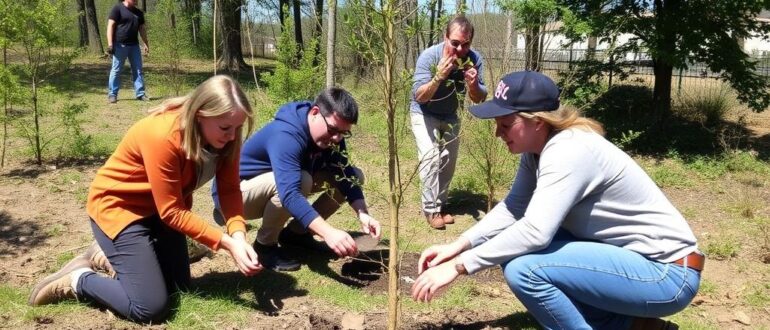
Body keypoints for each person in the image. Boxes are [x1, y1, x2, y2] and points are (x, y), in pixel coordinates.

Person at [410, 71, 703, 329]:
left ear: (537, 121)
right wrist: (457, 245)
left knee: (525, 270)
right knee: (511, 250)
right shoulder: (536, 151)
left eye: (506, 123)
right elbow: (513, 209)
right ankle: (631, 326)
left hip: (666, 274)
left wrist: (459, 266)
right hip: (638, 263)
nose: (498, 132)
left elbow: (536, 231)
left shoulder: (568, 150)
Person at [28, 75, 262, 323]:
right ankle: (79, 279)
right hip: (120, 211)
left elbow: (229, 190)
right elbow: (172, 210)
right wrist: (225, 243)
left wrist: (238, 235)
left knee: (179, 286)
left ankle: (106, 258)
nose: (233, 136)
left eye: (238, 128)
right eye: (226, 128)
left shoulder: (227, 139)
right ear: (200, 114)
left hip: (159, 215)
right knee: (150, 308)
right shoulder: (163, 134)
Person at [212, 87, 381, 272]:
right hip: (234, 197)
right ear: (315, 112)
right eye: (333, 130)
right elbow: (290, 194)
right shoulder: (286, 135)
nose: (337, 138)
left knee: (355, 176)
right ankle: (264, 246)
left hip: (277, 185)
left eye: (343, 133)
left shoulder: (331, 133)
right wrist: (328, 233)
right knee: (301, 180)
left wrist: (362, 212)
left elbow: (345, 173)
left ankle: (296, 234)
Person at [411, 15, 487, 230]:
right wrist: (438, 77)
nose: (460, 49)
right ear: (445, 38)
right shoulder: (430, 57)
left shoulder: (473, 59)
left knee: (448, 162)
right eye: (455, 43)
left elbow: (480, 97)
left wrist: (473, 85)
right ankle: (430, 209)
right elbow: (419, 96)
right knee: (431, 158)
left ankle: (440, 205)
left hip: (451, 115)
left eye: (466, 44)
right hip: (424, 113)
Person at [106, 0, 150, 104]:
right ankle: (112, 94)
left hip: (134, 46)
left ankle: (140, 94)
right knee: (116, 70)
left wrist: (146, 43)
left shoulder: (138, 13)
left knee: (138, 70)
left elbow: (142, 29)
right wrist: (110, 44)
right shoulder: (117, 8)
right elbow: (110, 26)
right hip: (120, 45)